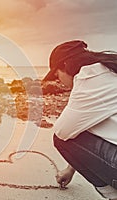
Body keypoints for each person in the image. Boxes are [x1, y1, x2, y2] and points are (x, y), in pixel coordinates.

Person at [43, 40, 117, 200]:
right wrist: (71, 169)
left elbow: (63, 132)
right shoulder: (108, 70)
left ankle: (112, 196)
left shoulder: (87, 78)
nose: (59, 81)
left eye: (57, 75)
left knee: (60, 139)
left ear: (65, 65)